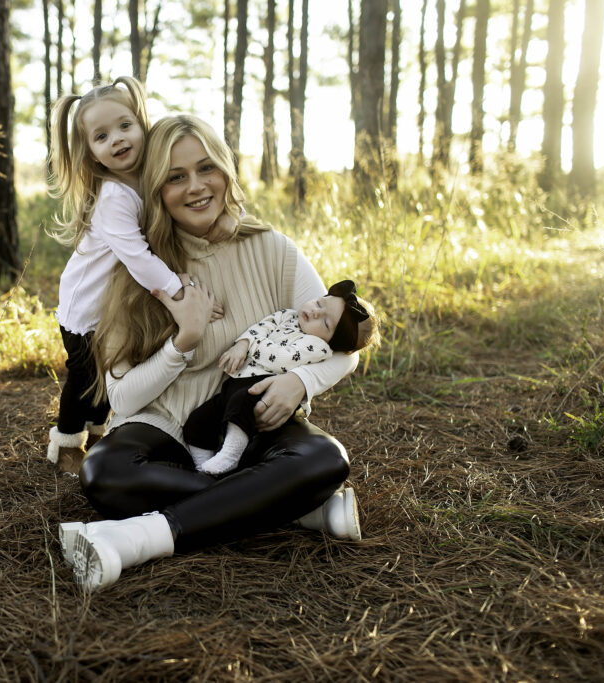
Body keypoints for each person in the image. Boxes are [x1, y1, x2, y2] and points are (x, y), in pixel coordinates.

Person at [56, 115, 366, 591]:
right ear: (156, 189)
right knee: (103, 472)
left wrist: (300, 382)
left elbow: (343, 348)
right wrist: (183, 340)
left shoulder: (274, 249)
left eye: (206, 169)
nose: (196, 187)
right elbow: (122, 400)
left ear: (226, 170)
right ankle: (296, 507)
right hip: (158, 422)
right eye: (175, 177)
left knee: (325, 459)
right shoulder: (134, 267)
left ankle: (137, 538)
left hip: (248, 419)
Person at [45, 77, 225, 467]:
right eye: (102, 135)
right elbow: (139, 258)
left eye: (125, 126)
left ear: (143, 125)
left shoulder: (147, 181)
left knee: (107, 379)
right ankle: (64, 445)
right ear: (92, 153)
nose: (117, 139)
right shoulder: (113, 196)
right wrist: (180, 295)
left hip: (113, 306)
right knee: (85, 378)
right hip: (86, 308)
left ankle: (96, 436)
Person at [184, 279, 379, 475]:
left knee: (241, 405)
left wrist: (252, 345)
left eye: (325, 323)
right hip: (237, 384)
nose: (316, 312)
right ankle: (202, 467)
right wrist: (242, 343)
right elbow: (261, 326)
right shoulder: (288, 315)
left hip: (265, 390)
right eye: (320, 303)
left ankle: (229, 456)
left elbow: (280, 359)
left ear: (331, 342)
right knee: (198, 421)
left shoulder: (317, 347)